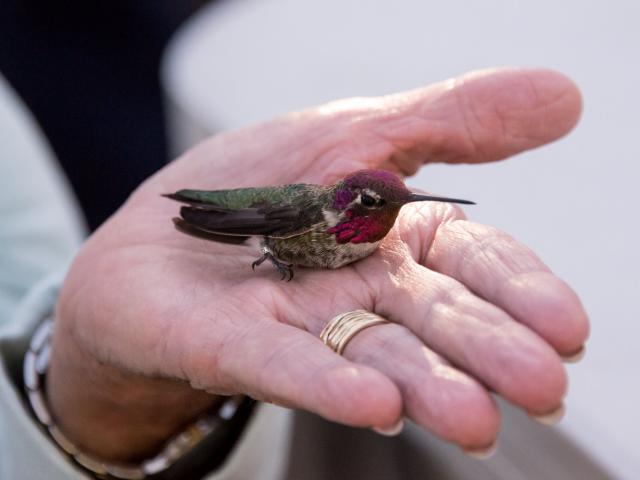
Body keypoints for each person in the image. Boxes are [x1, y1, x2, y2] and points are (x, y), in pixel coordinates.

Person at [0, 67, 589, 479]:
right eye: (373, 207)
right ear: (346, 201)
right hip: (259, 217)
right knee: (225, 212)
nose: (386, 216)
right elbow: (260, 221)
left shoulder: (374, 228)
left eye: (394, 208)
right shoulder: (311, 209)